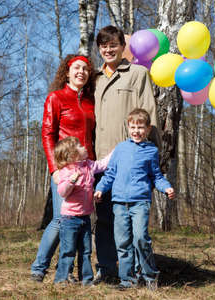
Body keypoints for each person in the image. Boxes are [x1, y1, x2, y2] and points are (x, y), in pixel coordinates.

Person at [93, 25, 161, 283]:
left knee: (135, 226)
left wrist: (153, 158)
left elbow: (150, 116)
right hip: (101, 163)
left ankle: (143, 273)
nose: (108, 50)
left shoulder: (138, 73)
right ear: (99, 49)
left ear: (123, 47)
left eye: (113, 45)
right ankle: (108, 269)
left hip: (131, 164)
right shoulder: (95, 78)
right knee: (105, 220)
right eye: (104, 46)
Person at [31, 54, 96, 282]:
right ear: (67, 72)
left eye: (86, 69)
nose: (81, 72)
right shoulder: (56, 98)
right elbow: (47, 134)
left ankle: (66, 271)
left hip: (86, 169)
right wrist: (55, 169)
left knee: (81, 222)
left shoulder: (90, 101)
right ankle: (38, 269)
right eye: (77, 68)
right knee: (61, 220)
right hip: (65, 170)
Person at [94, 108, 175, 291]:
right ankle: (127, 280)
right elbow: (110, 174)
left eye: (140, 127)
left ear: (147, 129)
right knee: (122, 243)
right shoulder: (120, 149)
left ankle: (150, 276)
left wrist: (166, 187)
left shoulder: (151, 151)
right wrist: (100, 189)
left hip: (140, 202)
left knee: (140, 238)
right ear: (128, 128)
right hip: (119, 203)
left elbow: (156, 176)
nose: (136, 131)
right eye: (133, 127)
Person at [52, 136, 111, 285]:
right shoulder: (66, 171)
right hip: (69, 219)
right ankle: (61, 280)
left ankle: (86, 280)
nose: (84, 146)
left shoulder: (89, 165)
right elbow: (62, 192)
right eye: (79, 146)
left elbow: (102, 165)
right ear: (72, 155)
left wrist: (116, 151)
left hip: (85, 217)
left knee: (86, 251)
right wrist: (71, 181)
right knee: (68, 251)